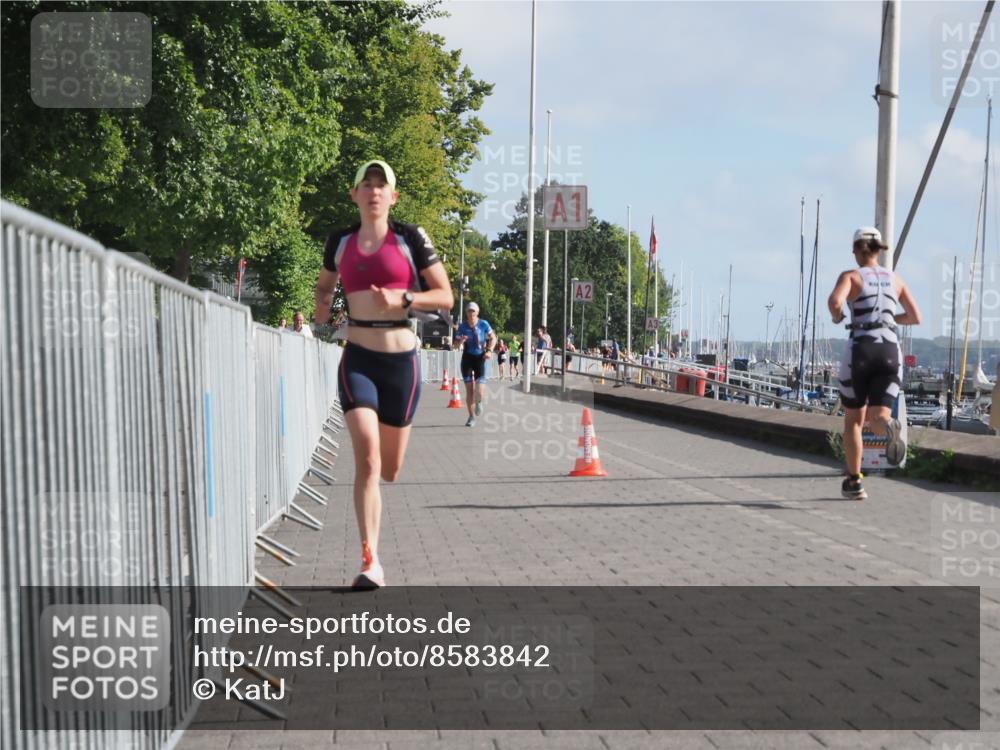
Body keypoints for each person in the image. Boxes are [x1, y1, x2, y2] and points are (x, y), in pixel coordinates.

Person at [313, 159, 453, 588]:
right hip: (358, 359)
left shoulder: (410, 238)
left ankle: (372, 550)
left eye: (381, 185)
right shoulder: (340, 241)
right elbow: (324, 286)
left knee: (389, 469)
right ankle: (370, 558)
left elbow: (445, 296)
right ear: (354, 194)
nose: (374, 190)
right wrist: (322, 310)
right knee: (368, 459)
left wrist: (404, 300)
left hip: (400, 364)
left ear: (393, 196)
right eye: (366, 183)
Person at [827, 227, 921, 500]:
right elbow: (915, 316)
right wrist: (890, 319)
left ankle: (854, 482)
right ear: (879, 251)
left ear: (856, 250)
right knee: (878, 417)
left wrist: (837, 317)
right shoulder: (896, 279)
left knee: (854, 422)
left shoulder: (851, 276)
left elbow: (835, 302)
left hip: (861, 349)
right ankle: (889, 425)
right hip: (890, 350)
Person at [453, 302, 496, 426]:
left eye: (473, 311)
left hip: (480, 359)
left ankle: (479, 402)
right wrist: (461, 341)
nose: (471, 313)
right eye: (469, 311)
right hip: (467, 359)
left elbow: (493, 338)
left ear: (477, 312)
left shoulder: (483, 324)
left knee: (479, 391)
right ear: (466, 313)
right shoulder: (462, 327)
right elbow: (455, 346)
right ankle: (471, 417)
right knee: (469, 391)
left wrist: (489, 350)